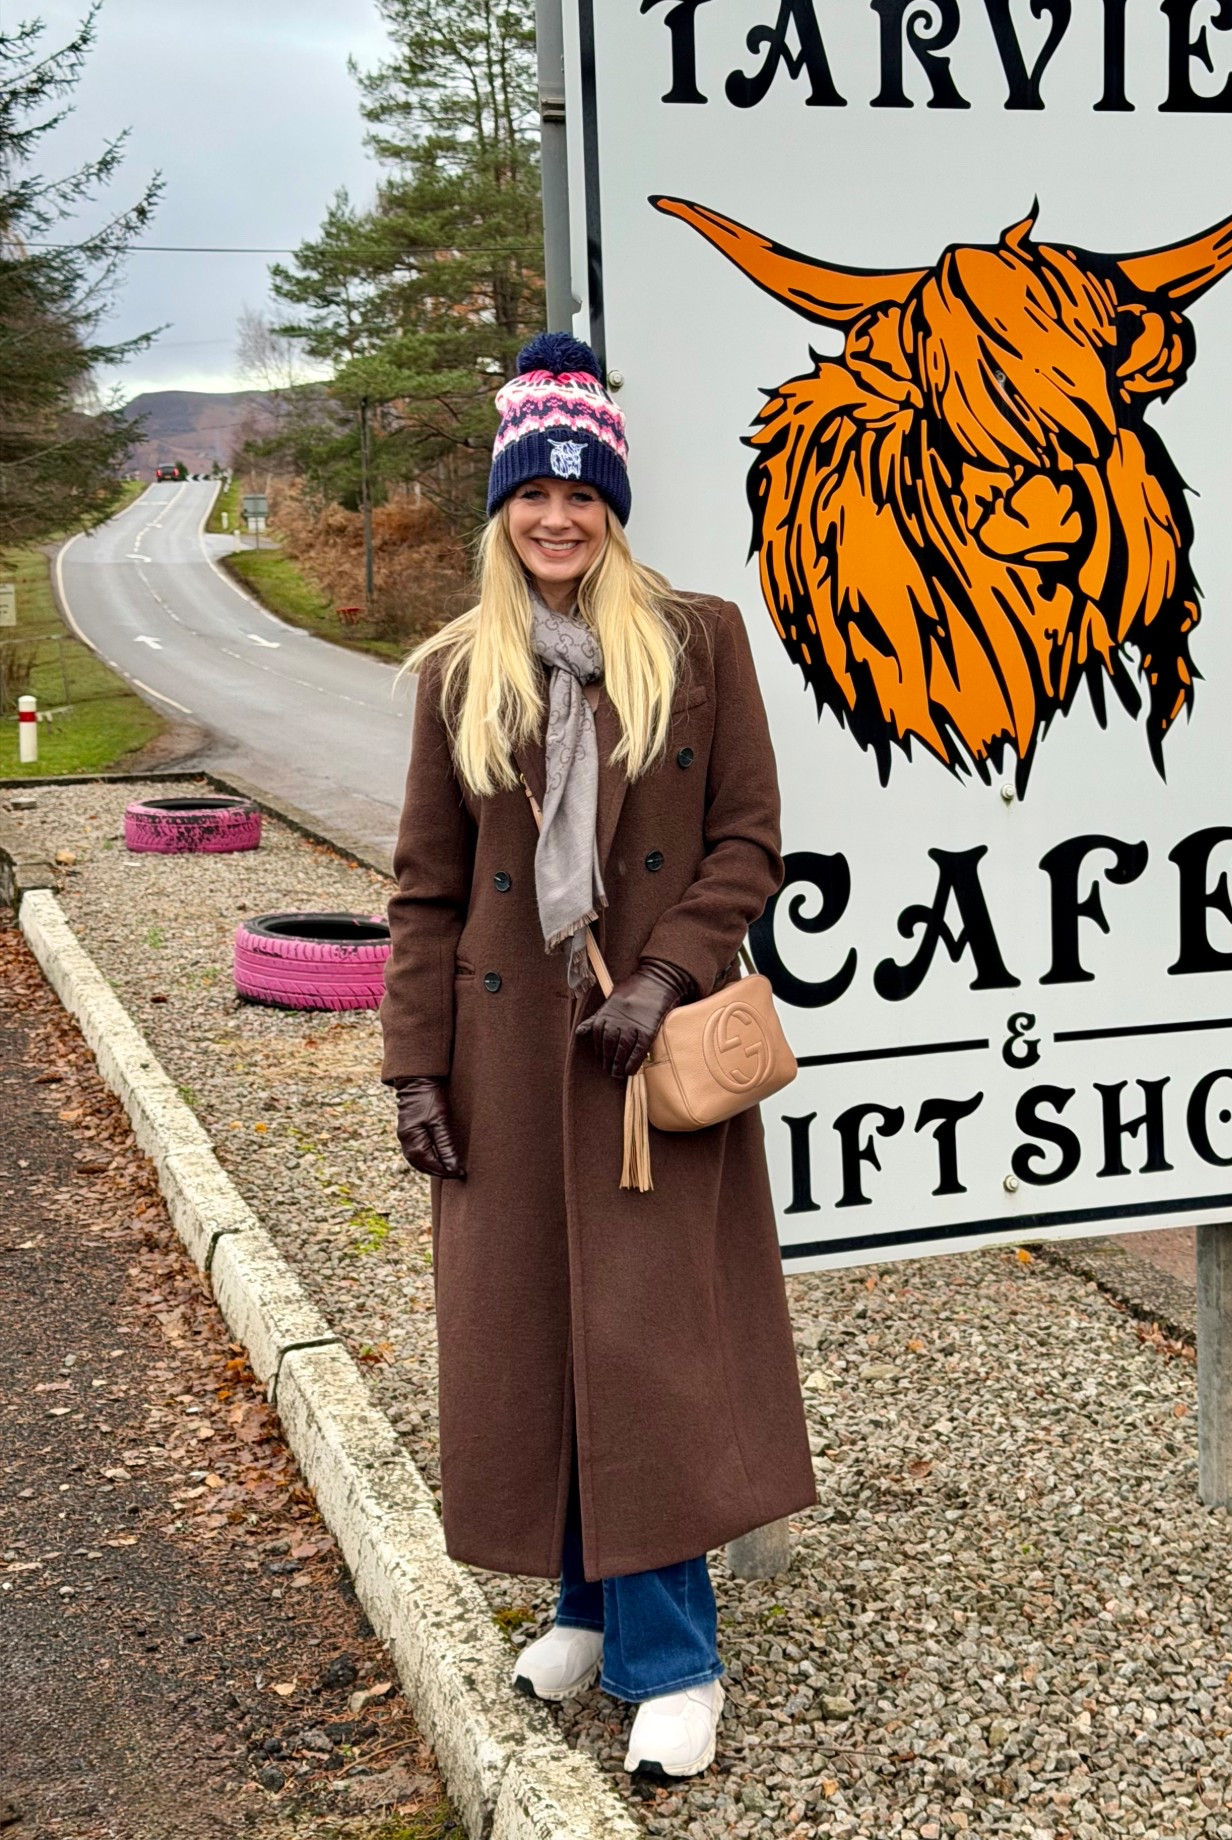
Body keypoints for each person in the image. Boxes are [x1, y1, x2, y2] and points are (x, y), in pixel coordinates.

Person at [380, 331, 816, 1782]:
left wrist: (667, 972)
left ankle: (671, 1659)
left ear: (612, 504)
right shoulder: (459, 672)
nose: (556, 519)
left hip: (644, 1061)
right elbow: (427, 889)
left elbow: (748, 838)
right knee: (533, 1339)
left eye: (582, 496)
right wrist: (413, 1068)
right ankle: (581, 1597)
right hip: (508, 1059)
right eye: (531, 496)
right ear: (503, 508)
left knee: (651, 1349)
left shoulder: (697, 640)